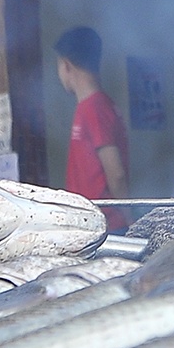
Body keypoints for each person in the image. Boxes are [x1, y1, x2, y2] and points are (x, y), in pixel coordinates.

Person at [54, 26, 130, 230]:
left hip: (107, 227)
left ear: (66, 65)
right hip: (90, 224)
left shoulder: (95, 108)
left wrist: (131, 221)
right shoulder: (90, 106)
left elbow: (116, 174)